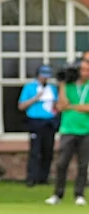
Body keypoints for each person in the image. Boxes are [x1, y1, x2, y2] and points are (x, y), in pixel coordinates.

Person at [46, 53, 89, 206]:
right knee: (62, 163)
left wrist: (72, 107)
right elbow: (61, 105)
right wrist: (63, 84)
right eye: (83, 70)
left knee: (83, 165)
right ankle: (58, 194)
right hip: (67, 129)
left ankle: (79, 194)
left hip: (86, 131)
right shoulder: (69, 86)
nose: (85, 72)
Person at [18, 64, 59, 187]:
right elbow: (21, 106)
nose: (45, 79)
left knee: (48, 151)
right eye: (43, 76)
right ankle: (32, 178)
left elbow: (56, 104)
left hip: (49, 121)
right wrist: (36, 98)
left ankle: (44, 177)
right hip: (35, 121)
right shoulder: (30, 87)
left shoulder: (52, 88)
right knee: (35, 151)